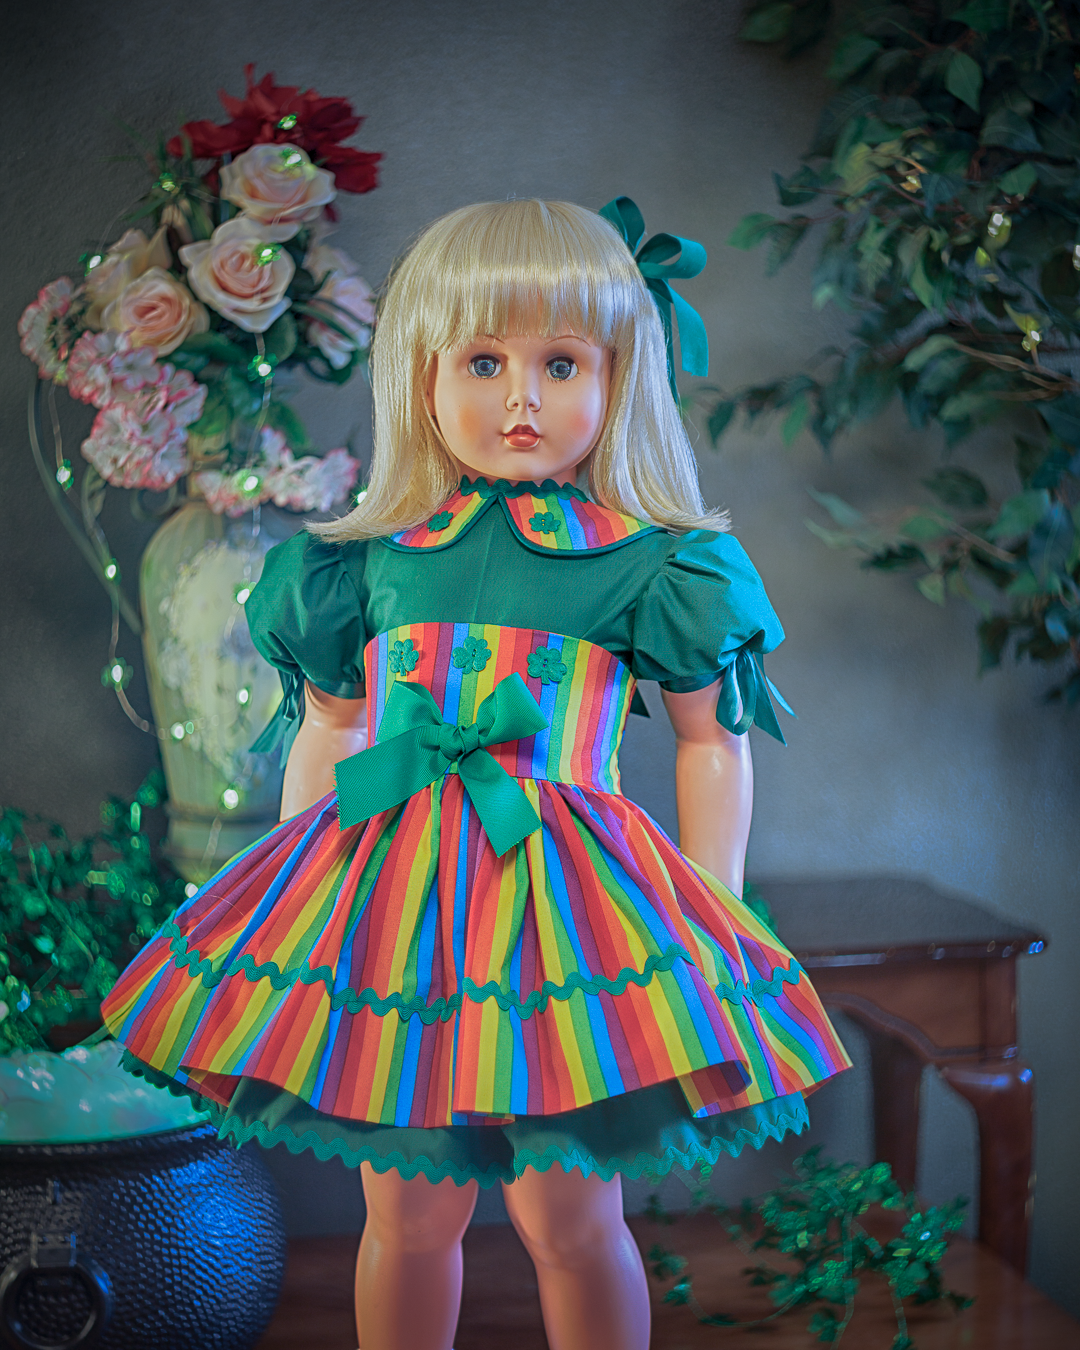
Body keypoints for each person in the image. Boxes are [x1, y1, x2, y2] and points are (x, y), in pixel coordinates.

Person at [102, 198, 850, 1350]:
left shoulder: (651, 566)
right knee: (407, 1211)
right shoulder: (367, 563)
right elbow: (331, 730)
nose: (521, 400)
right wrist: (301, 902)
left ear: (619, 376)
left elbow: (714, 743)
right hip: (398, 911)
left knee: (572, 1214)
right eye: (485, 362)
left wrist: (714, 914)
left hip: (565, 913)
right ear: (422, 373)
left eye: (562, 364)